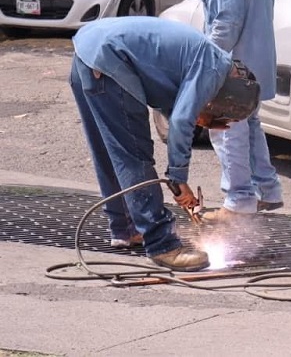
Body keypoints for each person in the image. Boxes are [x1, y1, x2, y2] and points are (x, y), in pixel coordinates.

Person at [70, 17, 260, 271]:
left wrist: (198, 116)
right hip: (108, 59)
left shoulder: (207, 59)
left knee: (109, 150)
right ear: (229, 95)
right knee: (134, 155)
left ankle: (126, 228)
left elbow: (172, 102)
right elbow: (181, 121)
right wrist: (178, 178)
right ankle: (162, 245)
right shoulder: (214, 67)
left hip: (87, 51)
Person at [177, 0, 283, 222]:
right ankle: (267, 191)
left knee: (226, 131)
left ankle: (238, 202)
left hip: (232, 67)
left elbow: (225, 25)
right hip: (255, 62)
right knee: (249, 126)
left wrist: (204, 67)